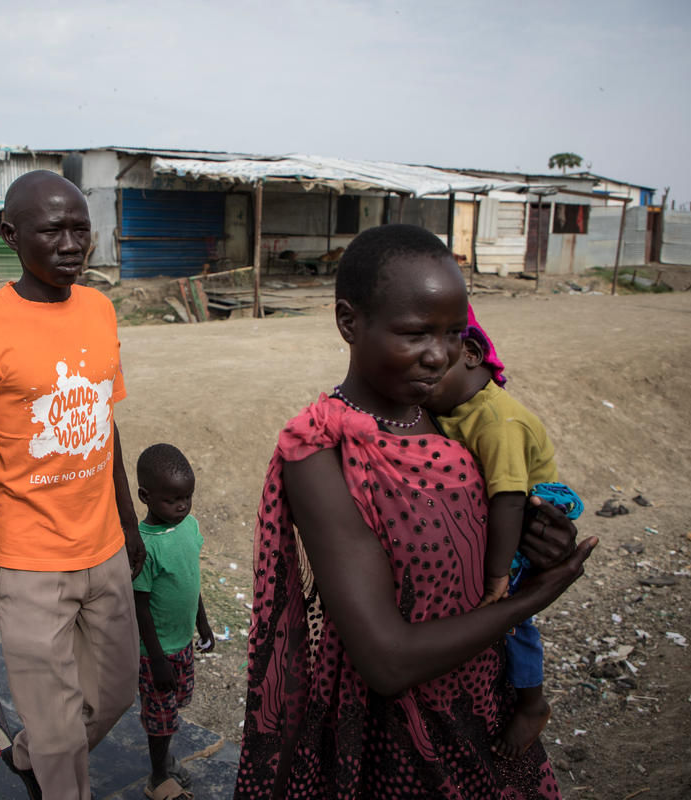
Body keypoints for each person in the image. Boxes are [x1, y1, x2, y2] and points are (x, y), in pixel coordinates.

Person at [234, 224, 597, 799]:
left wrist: (538, 540)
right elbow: (386, 661)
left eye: (455, 333)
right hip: (394, 734)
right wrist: (534, 597)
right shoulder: (322, 452)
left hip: (487, 702)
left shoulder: (458, 418)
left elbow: (475, 531)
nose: (440, 355)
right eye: (415, 333)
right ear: (349, 322)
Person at [0, 171, 145, 800]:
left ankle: (34, 752)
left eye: (81, 228)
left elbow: (105, 424)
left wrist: (129, 525)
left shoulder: (101, 310)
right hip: (29, 567)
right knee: (60, 747)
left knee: (114, 695)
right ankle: (51, 763)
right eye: (53, 230)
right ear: (11, 235)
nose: (72, 243)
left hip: (103, 550)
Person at [424, 307, 584, 760]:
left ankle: (532, 703)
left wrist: (497, 576)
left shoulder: (497, 422)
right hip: (503, 525)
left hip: (521, 529)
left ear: (471, 354)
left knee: (513, 620)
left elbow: (511, 500)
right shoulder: (457, 407)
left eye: (434, 376)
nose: (423, 389)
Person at [132, 443, 214, 800]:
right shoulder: (143, 546)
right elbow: (141, 606)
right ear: (145, 497)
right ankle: (158, 777)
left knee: (173, 709)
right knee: (159, 719)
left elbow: (190, 581)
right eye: (172, 500)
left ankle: (165, 759)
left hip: (182, 645)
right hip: (156, 653)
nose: (182, 506)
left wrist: (204, 624)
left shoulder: (189, 526)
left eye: (187, 498)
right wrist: (158, 660)